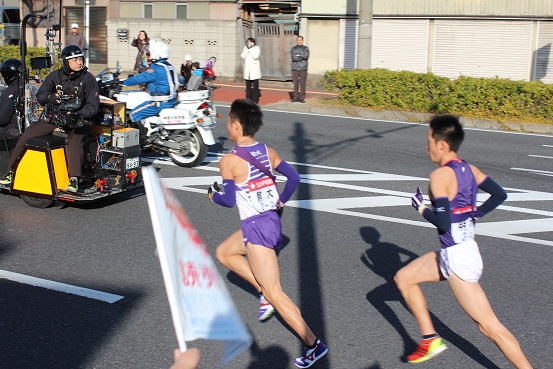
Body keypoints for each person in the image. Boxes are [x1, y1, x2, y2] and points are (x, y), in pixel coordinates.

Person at [394, 114, 534, 368]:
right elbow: (499, 194)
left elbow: (444, 223)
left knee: (489, 327)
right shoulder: (469, 169)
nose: (426, 146)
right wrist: (475, 214)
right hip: (459, 251)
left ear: (442, 145)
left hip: (458, 259)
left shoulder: (439, 176)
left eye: (429, 140)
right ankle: (429, 339)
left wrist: (421, 208)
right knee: (404, 278)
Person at [209, 99, 328, 368]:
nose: (227, 124)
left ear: (237, 126)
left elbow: (228, 201)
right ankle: (263, 291)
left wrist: (211, 196)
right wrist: (281, 200)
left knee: (275, 293)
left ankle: (313, 345)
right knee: (224, 252)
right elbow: (294, 178)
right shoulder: (267, 150)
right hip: (271, 221)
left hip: (256, 227)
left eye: (229, 121)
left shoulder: (228, 161)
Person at [0, 45, 100, 193]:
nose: (79, 62)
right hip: (56, 117)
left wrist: (77, 114)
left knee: (75, 139)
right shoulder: (56, 76)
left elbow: (93, 106)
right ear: (66, 61)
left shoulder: (88, 79)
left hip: (79, 119)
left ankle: (74, 179)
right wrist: (51, 97)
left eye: (80, 59)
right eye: (75, 59)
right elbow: (40, 95)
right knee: (28, 134)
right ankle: (11, 170)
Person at [123, 40, 178, 123]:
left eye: (148, 54)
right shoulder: (169, 66)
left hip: (160, 103)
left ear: (156, 54)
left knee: (132, 114)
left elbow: (140, 78)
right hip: (172, 100)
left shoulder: (156, 69)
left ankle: (141, 136)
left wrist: (123, 82)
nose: (147, 56)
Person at [0, 59, 23, 145]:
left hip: (12, 131)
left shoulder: (10, 91)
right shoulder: (24, 87)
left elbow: (2, 119)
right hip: (22, 128)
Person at [240, 37, 261, 104]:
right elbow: (243, 56)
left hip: (254, 71)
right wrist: (247, 49)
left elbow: (255, 56)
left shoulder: (257, 48)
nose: (248, 44)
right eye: (247, 42)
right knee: (248, 88)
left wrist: (251, 49)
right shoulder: (245, 48)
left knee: (255, 87)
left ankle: (255, 101)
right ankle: (248, 100)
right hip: (247, 71)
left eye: (250, 42)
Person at [291, 35, 309, 103]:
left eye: (300, 40)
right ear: (296, 40)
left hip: (303, 68)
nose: (299, 41)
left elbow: (306, 56)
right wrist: (301, 56)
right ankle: (295, 97)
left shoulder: (306, 48)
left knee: (302, 84)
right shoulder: (293, 48)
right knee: (295, 83)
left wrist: (298, 55)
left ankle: (302, 97)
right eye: (298, 40)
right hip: (295, 68)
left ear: (302, 40)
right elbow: (293, 58)